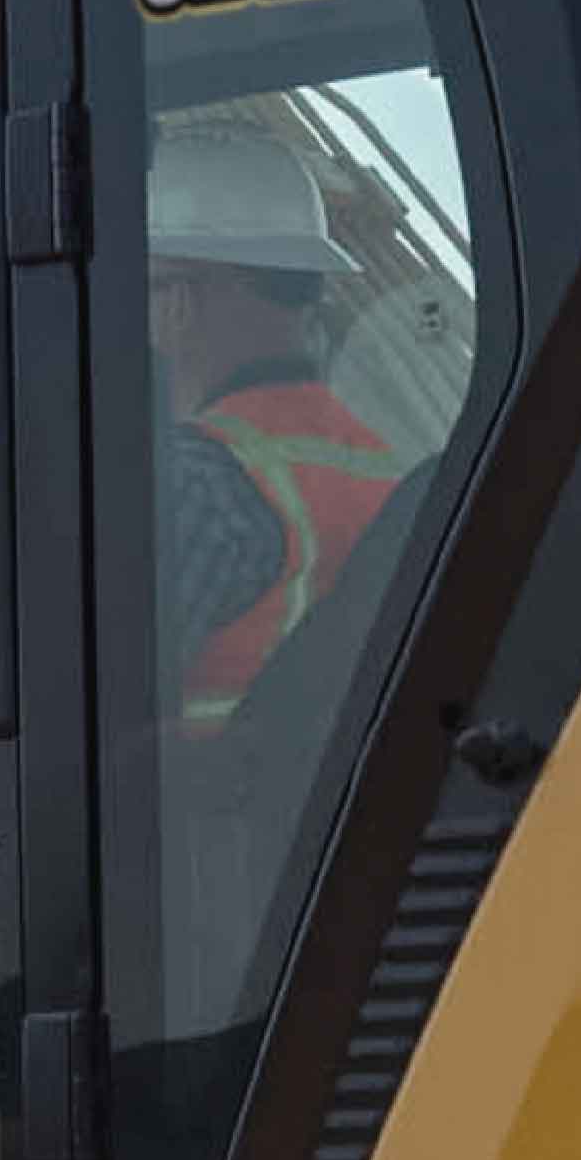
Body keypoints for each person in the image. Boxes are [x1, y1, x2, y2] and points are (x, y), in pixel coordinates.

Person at [144, 105, 411, 738]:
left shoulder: (196, 482)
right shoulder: (383, 466)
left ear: (178, 300)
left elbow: (85, 730)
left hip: (205, 830)